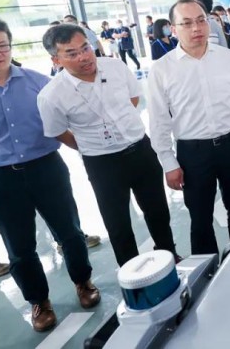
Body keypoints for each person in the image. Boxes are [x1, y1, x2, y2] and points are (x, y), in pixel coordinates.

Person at [0, 15, 101, 332]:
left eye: (2, 45)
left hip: (46, 168)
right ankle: (39, 301)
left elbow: (69, 119)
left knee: (70, 232)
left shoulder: (38, 82)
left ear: (10, 45)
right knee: (19, 247)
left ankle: (83, 282)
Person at [38, 24, 179, 267]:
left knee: (157, 210)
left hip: (141, 150)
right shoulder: (52, 95)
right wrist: (91, 145)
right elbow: (59, 132)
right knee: (117, 223)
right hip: (102, 163)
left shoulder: (115, 67)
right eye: (72, 53)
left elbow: (133, 99)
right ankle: (131, 271)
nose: (84, 57)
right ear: (56, 59)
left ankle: (169, 255)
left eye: (85, 48)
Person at [148, 0, 230, 255]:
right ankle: (206, 269)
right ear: (173, 29)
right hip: (193, 152)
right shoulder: (162, 69)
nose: (196, 28)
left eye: (201, 20)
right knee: (200, 218)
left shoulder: (228, 58)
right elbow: (159, 121)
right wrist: (169, 162)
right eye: (187, 23)